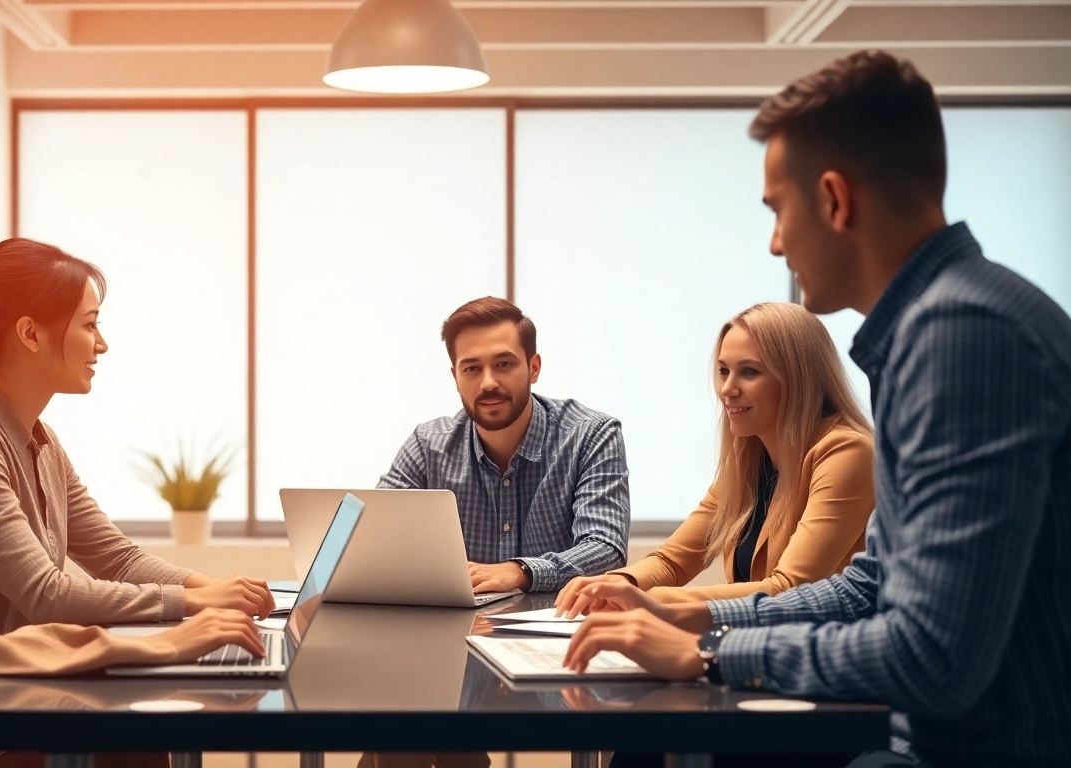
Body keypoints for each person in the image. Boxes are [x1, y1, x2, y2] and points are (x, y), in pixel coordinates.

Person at [563, 50, 1071, 768]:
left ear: (834, 199)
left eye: (777, 209)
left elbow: (931, 657)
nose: (775, 241)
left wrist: (712, 650)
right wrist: (693, 612)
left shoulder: (963, 336)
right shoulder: (945, 323)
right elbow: (870, 586)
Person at [0, 237, 274, 768]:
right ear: (29, 333)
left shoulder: (38, 440)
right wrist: (189, 609)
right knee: (133, 744)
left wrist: (215, 590)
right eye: (90, 325)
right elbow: (46, 593)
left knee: (137, 738)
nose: (103, 344)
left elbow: (118, 558)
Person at [555, 302, 873, 612]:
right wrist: (615, 584)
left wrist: (651, 602)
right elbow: (673, 560)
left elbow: (789, 589)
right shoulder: (749, 456)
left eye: (749, 372)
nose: (727, 389)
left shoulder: (847, 452)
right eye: (723, 371)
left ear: (798, 378)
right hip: (758, 647)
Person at [378, 296, 629, 594]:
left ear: (533, 368)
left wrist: (521, 571)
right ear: (455, 377)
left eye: (504, 364)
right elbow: (374, 535)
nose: (488, 383)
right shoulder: (427, 445)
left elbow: (605, 547)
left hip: (557, 630)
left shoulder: (591, 435)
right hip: (455, 629)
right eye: (471, 368)